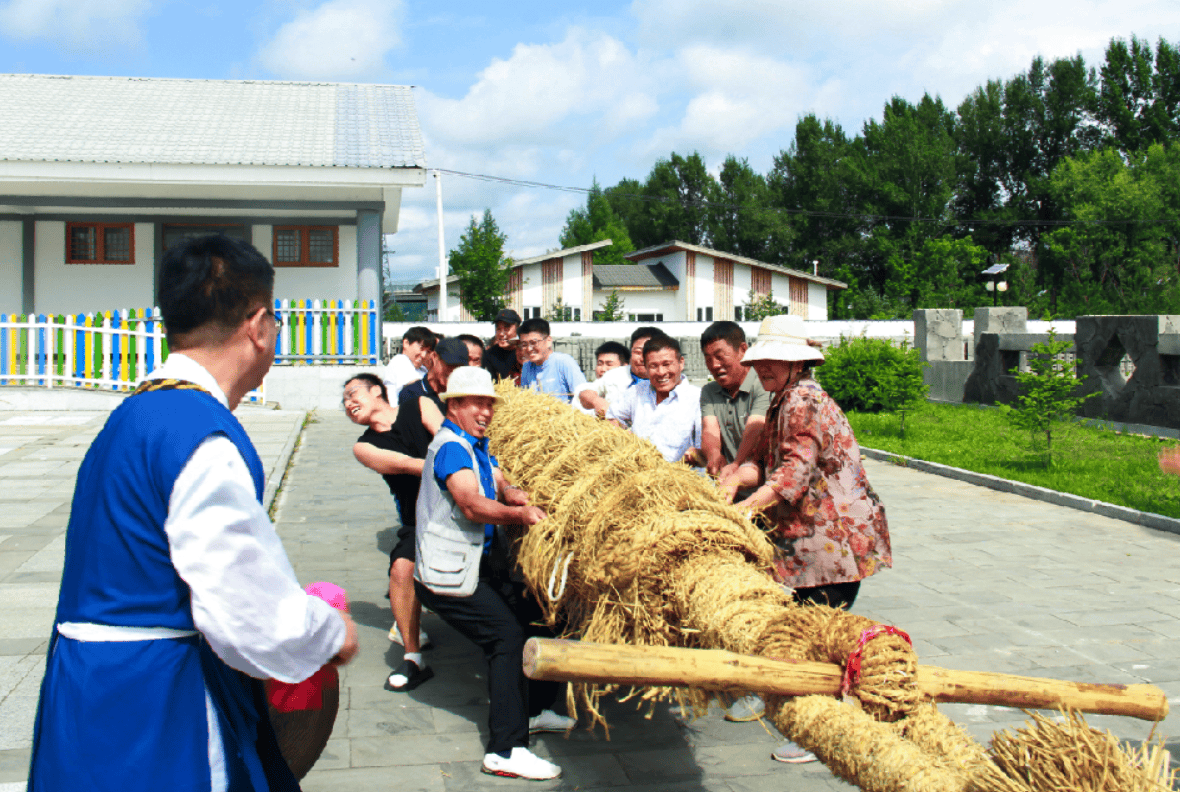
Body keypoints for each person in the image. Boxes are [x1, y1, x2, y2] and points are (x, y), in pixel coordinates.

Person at [28, 234, 359, 792]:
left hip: (86, 691)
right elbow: (247, 616)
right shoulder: (198, 435)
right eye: (274, 321)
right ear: (257, 326)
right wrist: (329, 632)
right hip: (158, 702)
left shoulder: (132, 417)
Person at [734, 314, 893, 764]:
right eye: (761, 359)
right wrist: (733, 478)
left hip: (831, 542)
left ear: (796, 363)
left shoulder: (802, 400)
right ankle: (809, 712)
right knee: (809, 629)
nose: (764, 367)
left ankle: (828, 727)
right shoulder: (785, 398)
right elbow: (769, 463)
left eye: (774, 360)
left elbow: (793, 473)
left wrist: (742, 511)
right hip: (814, 541)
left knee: (818, 635)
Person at [414, 367, 573, 781]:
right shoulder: (450, 447)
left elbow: (497, 478)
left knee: (536, 617)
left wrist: (513, 492)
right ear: (454, 406)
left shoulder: (476, 443)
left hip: (479, 564)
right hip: (448, 575)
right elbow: (469, 503)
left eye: (489, 404)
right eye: (476, 404)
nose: (485, 411)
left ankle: (535, 710)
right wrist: (518, 514)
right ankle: (506, 749)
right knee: (507, 639)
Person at [344, 338, 469, 692]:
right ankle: (413, 656)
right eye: (345, 403)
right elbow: (413, 465)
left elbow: (449, 439)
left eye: (355, 394)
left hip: (463, 501)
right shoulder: (364, 445)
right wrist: (457, 469)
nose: (349, 403)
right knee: (401, 567)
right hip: (424, 520)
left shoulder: (419, 404)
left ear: (378, 391)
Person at [686, 321, 771, 501]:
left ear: (743, 350)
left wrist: (736, 464)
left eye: (720, 356)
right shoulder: (709, 391)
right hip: (732, 495)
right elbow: (710, 429)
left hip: (767, 495)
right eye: (708, 358)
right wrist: (714, 455)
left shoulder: (763, 385)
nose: (714, 365)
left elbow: (755, 427)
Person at [607, 335, 702, 463]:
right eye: (653, 366)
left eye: (667, 364)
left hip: (678, 477)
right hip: (636, 475)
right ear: (645, 368)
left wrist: (692, 456)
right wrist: (623, 437)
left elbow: (704, 450)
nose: (661, 372)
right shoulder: (636, 392)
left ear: (681, 363)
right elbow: (612, 418)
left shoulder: (698, 399)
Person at [575, 327, 662, 418]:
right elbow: (585, 392)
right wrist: (596, 401)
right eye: (638, 352)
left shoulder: (670, 382)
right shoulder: (614, 375)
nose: (641, 358)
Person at [518, 318, 587, 404]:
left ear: (548, 341)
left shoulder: (563, 362)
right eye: (524, 344)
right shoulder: (527, 367)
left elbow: (583, 393)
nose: (529, 349)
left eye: (534, 342)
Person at [382, 326, 436, 404]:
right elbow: (417, 386)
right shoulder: (400, 361)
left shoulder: (422, 369)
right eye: (421, 348)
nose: (424, 355)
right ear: (406, 343)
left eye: (427, 351)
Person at [482, 308, 522, 381]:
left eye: (507, 327)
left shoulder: (525, 352)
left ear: (518, 329)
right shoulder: (489, 355)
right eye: (498, 328)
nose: (501, 334)